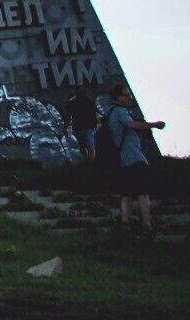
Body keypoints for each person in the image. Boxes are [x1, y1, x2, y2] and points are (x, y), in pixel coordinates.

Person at [99, 83, 165, 231]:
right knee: (142, 192)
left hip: (123, 160)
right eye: (126, 95)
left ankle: (125, 224)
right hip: (134, 158)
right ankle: (147, 224)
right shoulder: (121, 111)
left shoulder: (111, 113)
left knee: (126, 194)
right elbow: (131, 125)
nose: (129, 98)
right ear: (118, 97)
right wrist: (154, 125)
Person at [66, 89, 99, 159]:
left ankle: (87, 161)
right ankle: (92, 163)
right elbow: (95, 114)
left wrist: (66, 127)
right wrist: (96, 124)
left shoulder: (72, 103)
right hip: (89, 126)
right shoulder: (89, 101)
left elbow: (68, 117)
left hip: (77, 127)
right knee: (91, 147)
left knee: (82, 146)